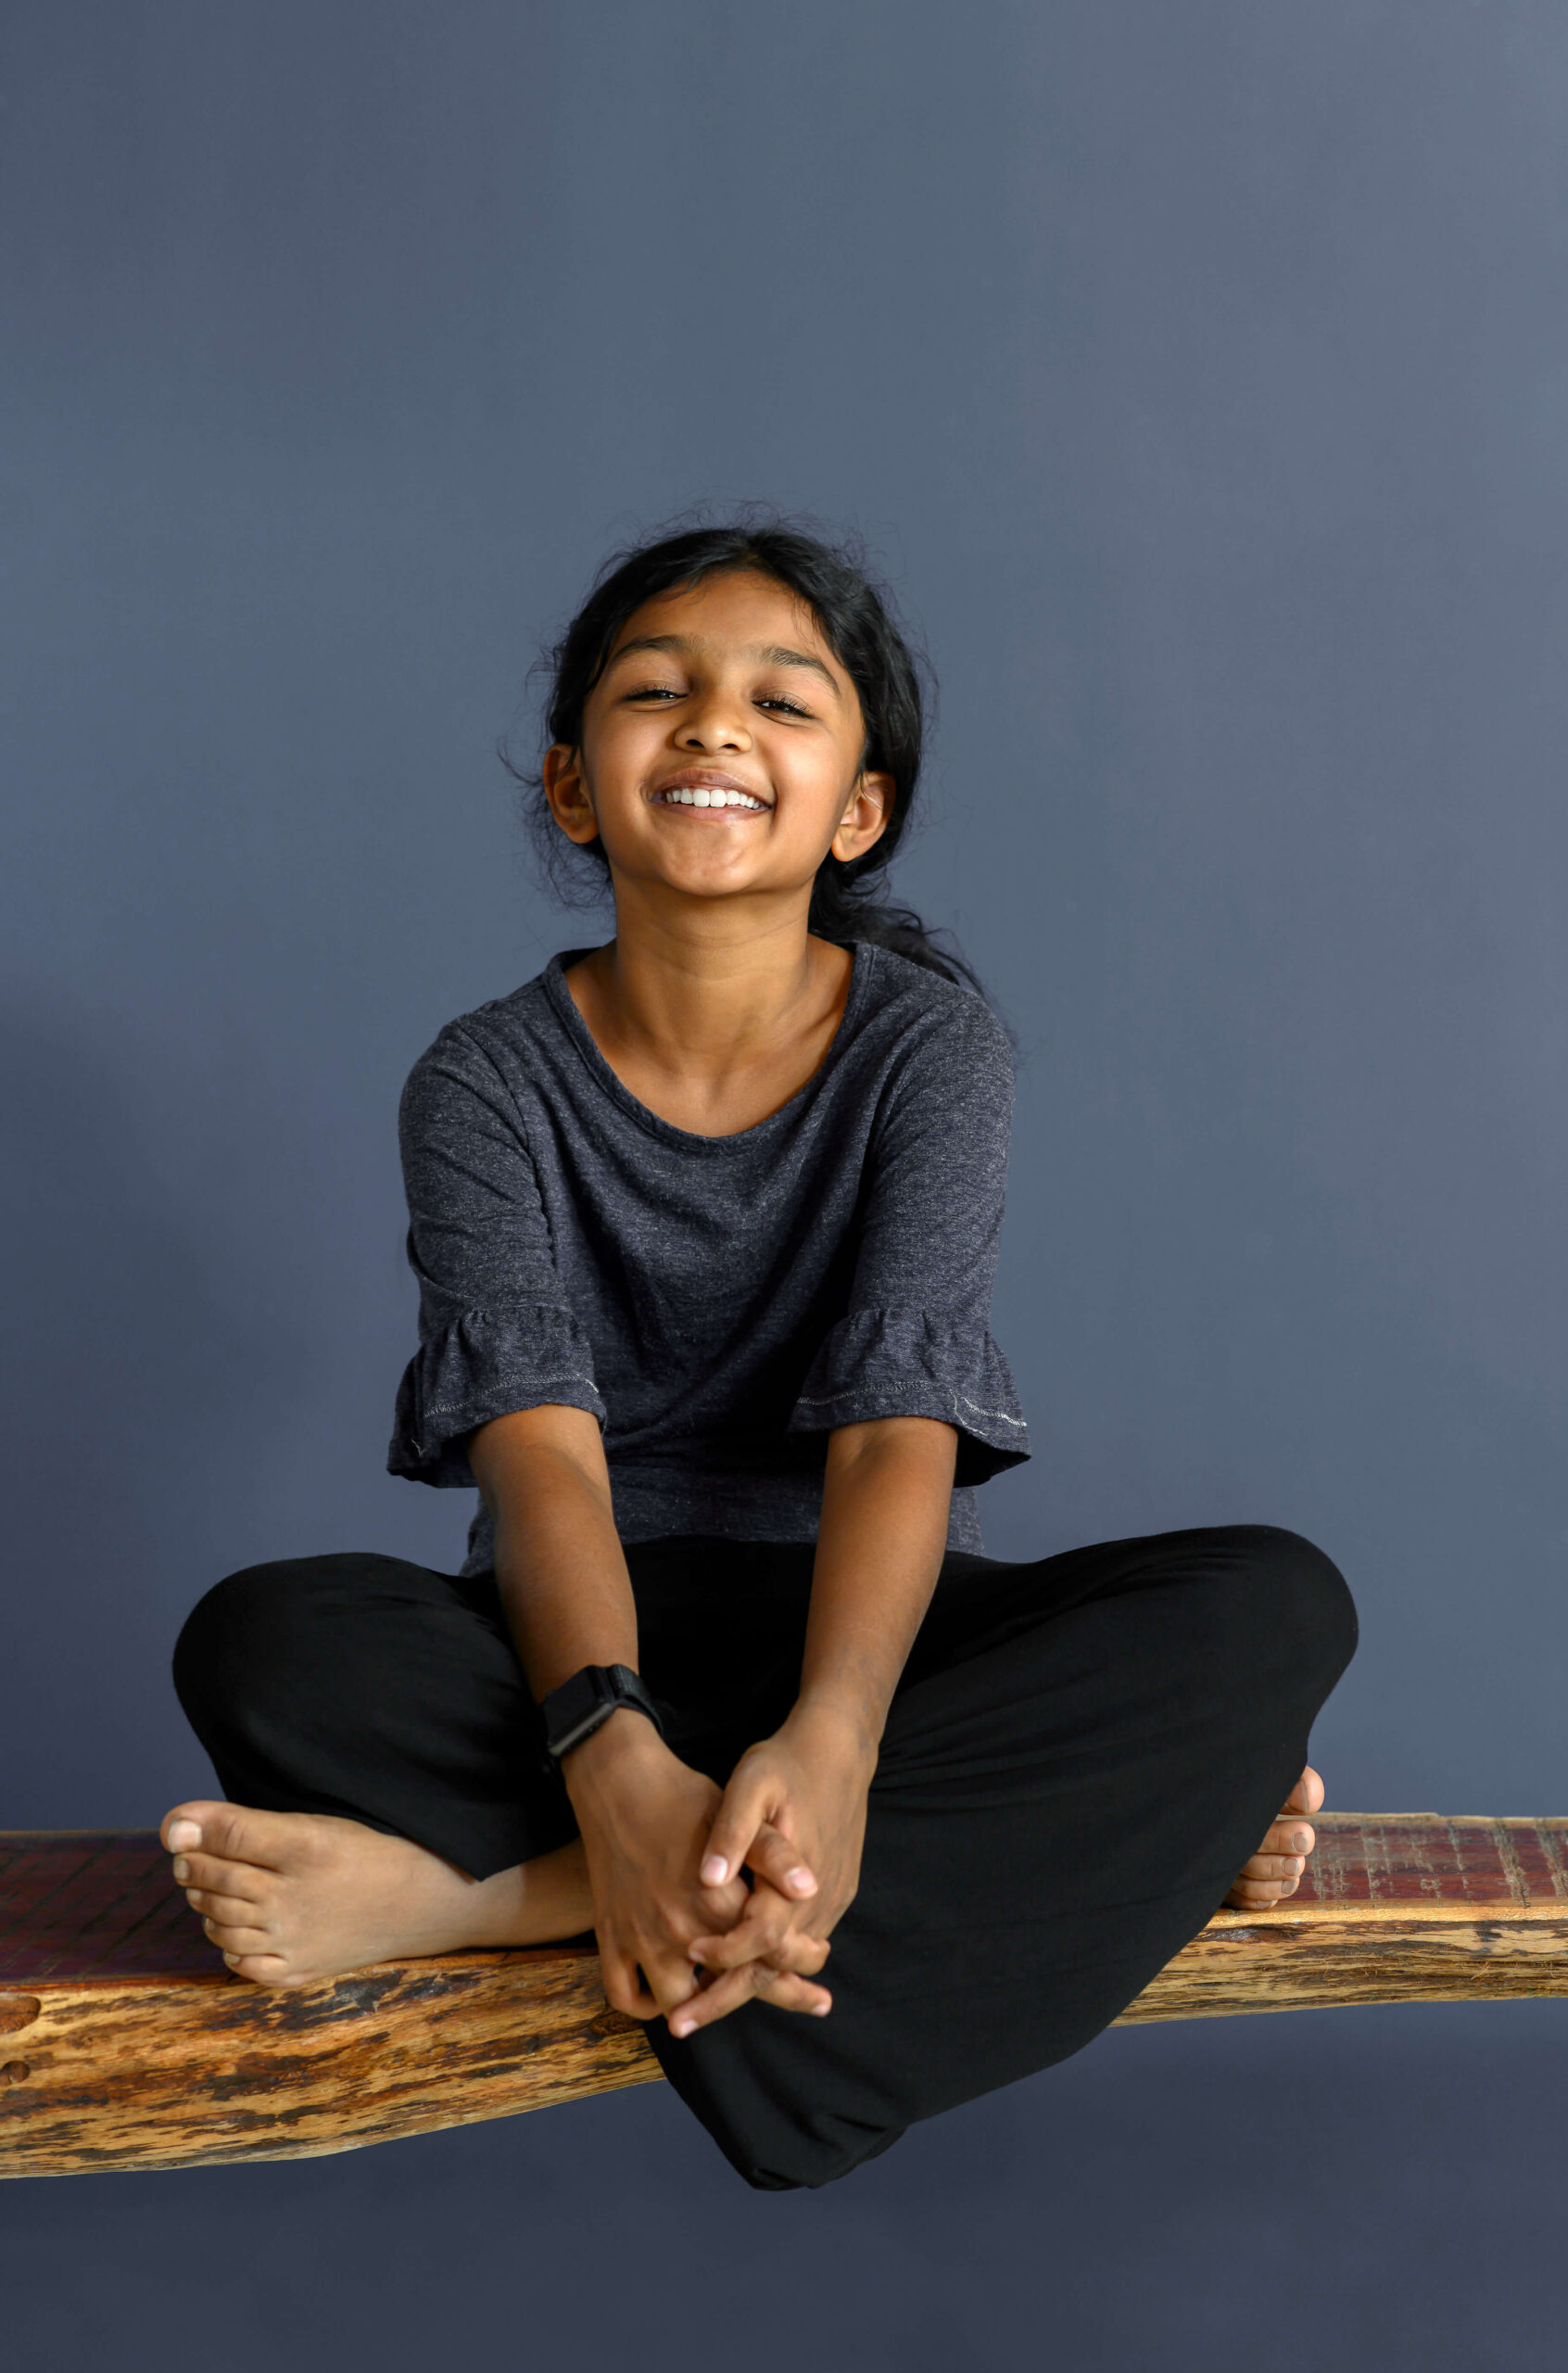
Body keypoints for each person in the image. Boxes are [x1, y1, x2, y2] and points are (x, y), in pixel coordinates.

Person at [162, 517, 1358, 2190]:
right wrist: (613, 1752)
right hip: (583, 1646)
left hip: (858, 1632)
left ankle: (501, 1902)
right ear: (578, 785)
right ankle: (1069, 1854)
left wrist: (841, 1745)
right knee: (268, 1642)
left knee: (1270, 1605)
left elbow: (892, 1428)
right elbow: (540, 1451)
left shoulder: (927, 1047)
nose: (716, 725)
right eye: (657, 692)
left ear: (855, 811)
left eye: (784, 704)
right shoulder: (483, 1081)